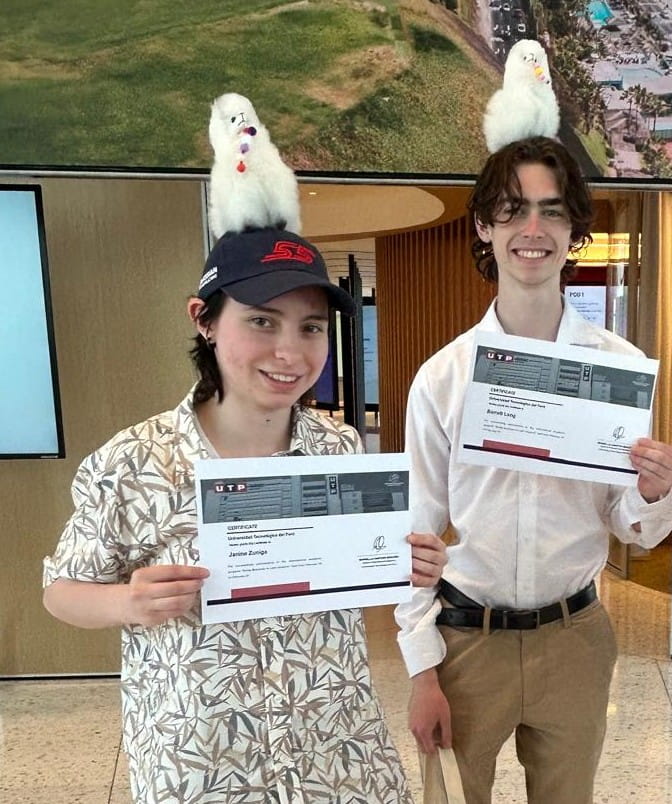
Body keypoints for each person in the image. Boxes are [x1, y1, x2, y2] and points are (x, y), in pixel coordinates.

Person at [42, 227, 448, 803]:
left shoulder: (339, 448)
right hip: (204, 765)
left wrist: (400, 561)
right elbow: (60, 591)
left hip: (336, 756)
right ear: (204, 320)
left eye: (310, 328)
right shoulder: (133, 461)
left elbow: (347, 576)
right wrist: (127, 601)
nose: (291, 352)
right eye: (262, 320)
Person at [395, 136, 672, 804]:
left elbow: (633, 529)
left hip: (574, 638)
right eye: (512, 210)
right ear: (483, 227)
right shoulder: (444, 378)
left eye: (552, 212)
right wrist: (420, 670)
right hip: (467, 641)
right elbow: (413, 532)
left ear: (573, 229)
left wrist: (649, 491)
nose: (532, 229)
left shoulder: (613, 369)